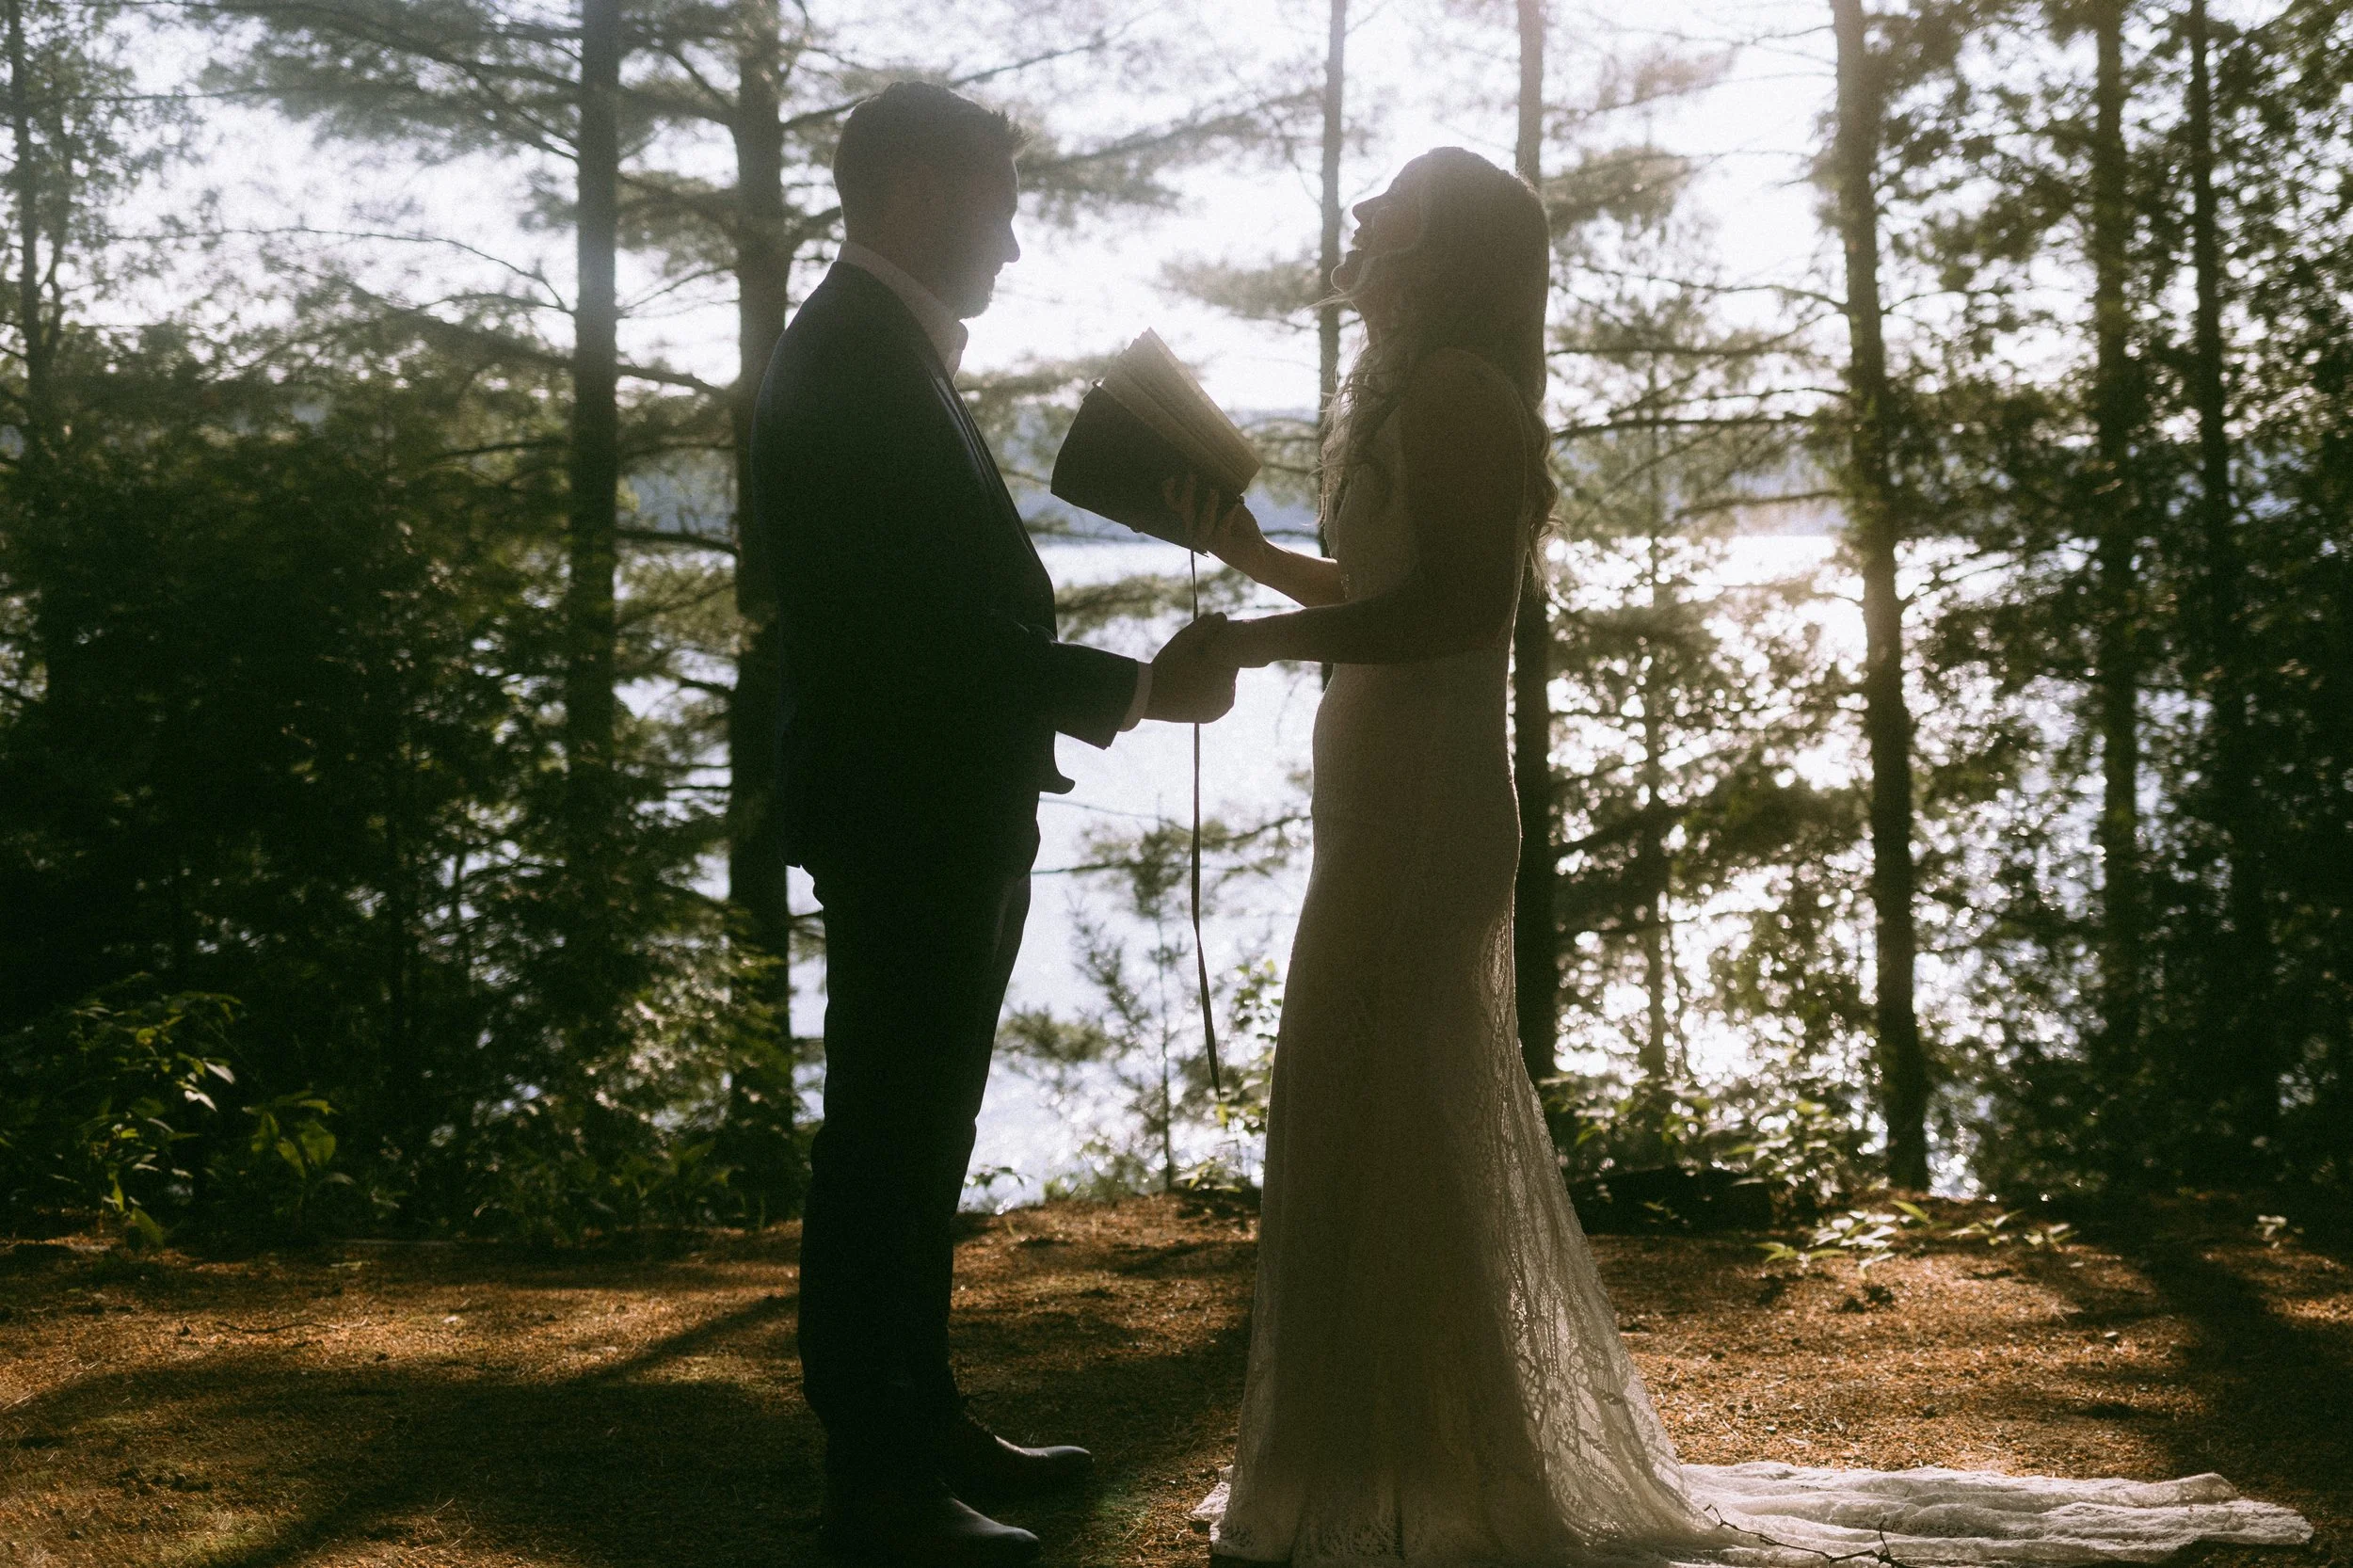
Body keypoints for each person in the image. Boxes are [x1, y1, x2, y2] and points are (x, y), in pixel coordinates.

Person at [1170, 146, 2313, 1567]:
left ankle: (1427, 1459)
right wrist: (1260, 565)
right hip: (1378, 794)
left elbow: (1461, 612)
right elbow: (1393, 587)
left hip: (1421, 812)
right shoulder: (1413, 387)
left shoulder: (1462, 388)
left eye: (1389, 201)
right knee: (1366, 1104)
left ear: (1445, 245)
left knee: (1396, 1103)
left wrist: (1249, 646)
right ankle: (1385, 1449)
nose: (1359, 215)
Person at [745, 81, 1234, 1568]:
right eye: (999, 204)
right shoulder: (850, 359)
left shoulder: (875, 349)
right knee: (889, 1133)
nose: (1014, 244)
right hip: (908, 803)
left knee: (923, 1122)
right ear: (914, 194)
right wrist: (1134, 685)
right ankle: (877, 1482)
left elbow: (931, 614)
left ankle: (920, 1417)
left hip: (934, 795)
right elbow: (916, 629)